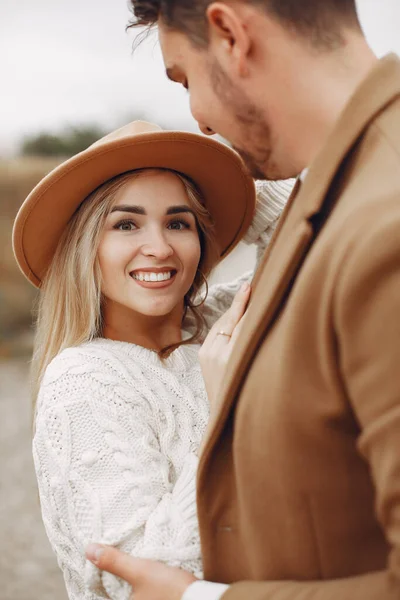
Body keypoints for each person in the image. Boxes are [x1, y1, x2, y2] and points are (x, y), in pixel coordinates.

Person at [84, 1, 400, 599]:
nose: (197, 120)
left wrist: (201, 598)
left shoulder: (383, 226)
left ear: (229, 33)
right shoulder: (339, 197)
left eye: (184, 79)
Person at [12, 120, 292, 600]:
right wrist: (223, 419)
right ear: (86, 248)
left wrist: (237, 177)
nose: (159, 248)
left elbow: (329, 233)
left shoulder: (229, 317)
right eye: (126, 224)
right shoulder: (83, 382)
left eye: (179, 223)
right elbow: (142, 580)